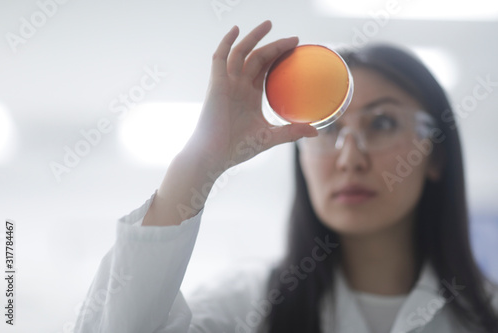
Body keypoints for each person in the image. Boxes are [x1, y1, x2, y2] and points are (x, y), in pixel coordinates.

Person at [73, 20, 498, 333]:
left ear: (435, 154)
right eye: (328, 129)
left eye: (382, 123)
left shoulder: (487, 314)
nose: (350, 158)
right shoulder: (245, 306)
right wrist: (198, 164)